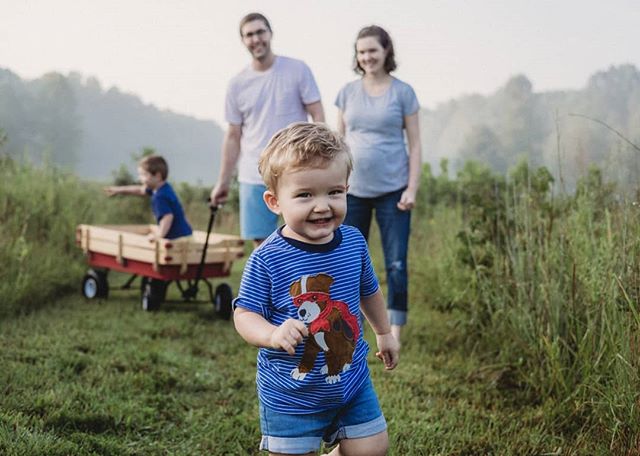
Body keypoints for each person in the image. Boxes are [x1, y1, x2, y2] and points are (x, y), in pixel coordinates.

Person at [233, 122, 400, 455]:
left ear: (347, 189)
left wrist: (383, 332)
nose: (322, 205)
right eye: (305, 195)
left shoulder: (353, 242)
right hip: (290, 394)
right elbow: (245, 313)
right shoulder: (267, 258)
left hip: (351, 384)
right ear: (274, 201)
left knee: (372, 448)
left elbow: (368, 289)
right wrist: (271, 334)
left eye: (334, 192)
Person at [335, 25, 422, 343]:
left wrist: (411, 188)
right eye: (361, 52)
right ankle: (347, 324)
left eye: (372, 50)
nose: (367, 57)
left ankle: (394, 329)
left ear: (386, 51)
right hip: (353, 191)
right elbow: (339, 144)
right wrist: (335, 188)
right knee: (346, 259)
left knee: (396, 262)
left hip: (393, 191)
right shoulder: (346, 93)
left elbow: (415, 145)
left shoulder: (403, 92)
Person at [210, 12, 325, 249]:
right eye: (249, 35)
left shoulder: (297, 69)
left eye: (260, 32)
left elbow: (318, 116)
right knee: (263, 247)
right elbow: (233, 137)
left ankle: (304, 286)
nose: (256, 39)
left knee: (305, 238)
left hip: (296, 169)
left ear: (270, 33)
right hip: (253, 174)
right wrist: (222, 182)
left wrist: (321, 159)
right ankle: (275, 287)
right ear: (243, 41)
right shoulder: (237, 84)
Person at [104, 155, 193, 241]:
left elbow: (167, 217)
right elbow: (140, 190)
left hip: (177, 241)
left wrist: (159, 235)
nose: (140, 179)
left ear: (158, 176)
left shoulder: (159, 197)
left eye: (143, 175)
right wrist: (118, 190)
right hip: (186, 236)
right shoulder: (163, 188)